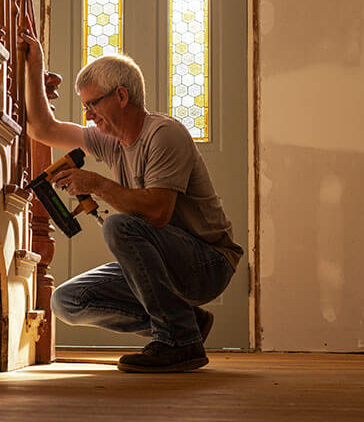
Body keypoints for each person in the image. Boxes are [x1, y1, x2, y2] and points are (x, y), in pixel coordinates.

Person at [19, 30, 243, 373]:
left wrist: (94, 183)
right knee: (67, 301)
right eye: (86, 107)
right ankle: (187, 325)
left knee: (121, 225)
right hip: (167, 259)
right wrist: (36, 67)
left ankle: (179, 342)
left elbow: (156, 212)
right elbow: (42, 129)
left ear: (121, 95)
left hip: (208, 262)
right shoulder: (110, 141)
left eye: (93, 104)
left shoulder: (164, 134)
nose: (89, 114)